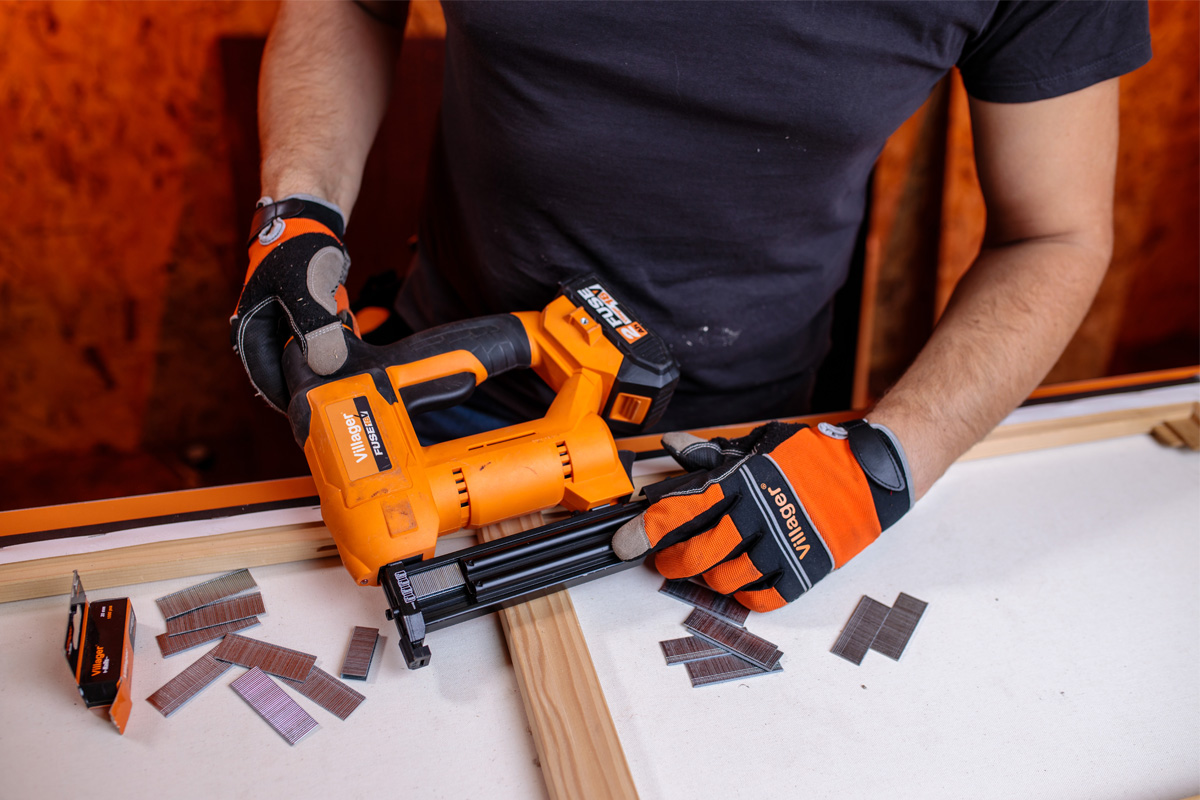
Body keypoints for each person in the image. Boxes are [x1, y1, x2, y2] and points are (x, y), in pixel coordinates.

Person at [231, 1, 1151, 611]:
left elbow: (1055, 235)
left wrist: (882, 466)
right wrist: (295, 213)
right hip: (433, 394)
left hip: (742, 456)